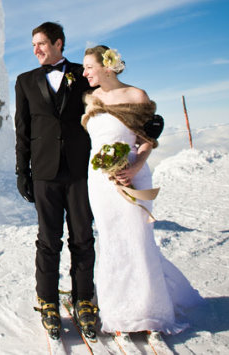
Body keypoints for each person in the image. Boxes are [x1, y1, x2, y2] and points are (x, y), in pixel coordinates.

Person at [81, 45, 202, 342]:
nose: (84, 73)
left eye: (89, 67)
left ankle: (151, 313)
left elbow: (148, 140)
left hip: (134, 176)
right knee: (111, 240)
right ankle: (118, 314)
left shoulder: (137, 96)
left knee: (138, 238)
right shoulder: (93, 98)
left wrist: (135, 167)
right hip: (99, 180)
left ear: (107, 67)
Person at [14, 22, 98, 339]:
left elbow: (106, 109)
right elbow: (23, 130)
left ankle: (84, 300)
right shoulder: (24, 82)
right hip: (45, 174)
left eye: (42, 44)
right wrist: (23, 172)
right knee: (48, 240)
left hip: (79, 172)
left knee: (82, 237)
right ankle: (47, 300)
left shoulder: (82, 74)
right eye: (33, 45)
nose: (36, 50)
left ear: (58, 43)